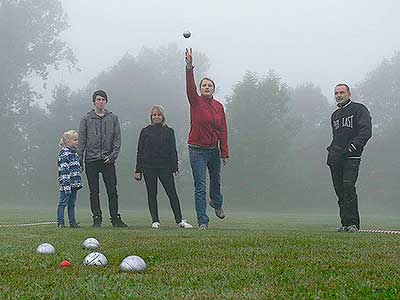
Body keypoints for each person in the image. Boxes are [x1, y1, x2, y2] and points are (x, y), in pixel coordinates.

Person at [184, 48, 229, 230]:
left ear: (213, 89)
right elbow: (189, 87)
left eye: (209, 85)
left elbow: (223, 130)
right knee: (200, 186)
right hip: (197, 150)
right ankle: (203, 221)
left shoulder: (219, 107)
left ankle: (217, 203)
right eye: (204, 85)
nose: (206, 87)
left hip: (213, 150)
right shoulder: (195, 101)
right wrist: (189, 67)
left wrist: (224, 152)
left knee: (215, 182)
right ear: (200, 89)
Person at [133, 105, 193, 229]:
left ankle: (179, 220)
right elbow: (140, 151)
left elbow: (173, 150)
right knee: (152, 193)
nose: (156, 117)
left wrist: (174, 166)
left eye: (159, 115)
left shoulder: (169, 131)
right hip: (148, 167)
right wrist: (138, 170)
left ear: (163, 116)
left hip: (165, 166)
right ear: (151, 117)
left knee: (172, 193)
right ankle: (155, 220)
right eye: (154, 115)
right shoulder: (145, 131)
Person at [78, 90, 127, 227]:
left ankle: (115, 218)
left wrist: (112, 156)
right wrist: (79, 161)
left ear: (106, 101)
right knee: (94, 191)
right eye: (98, 99)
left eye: (103, 99)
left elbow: (117, 140)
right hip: (91, 160)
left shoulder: (113, 118)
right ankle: (97, 218)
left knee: (112, 190)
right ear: (94, 101)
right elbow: (81, 141)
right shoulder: (86, 119)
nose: (100, 102)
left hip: (107, 161)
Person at [327, 83, 372, 233]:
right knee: (339, 190)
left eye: (341, 92)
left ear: (349, 94)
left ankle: (353, 224)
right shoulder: (334, 115)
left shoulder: (359, 109)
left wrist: (353, 146)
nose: (338, 95)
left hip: (352, 157)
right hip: (336, 158)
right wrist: (331, 153)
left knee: (348, 187)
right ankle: (345, 223)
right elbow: (336, 137)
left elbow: (366, 132)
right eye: (336, 93)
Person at [57, 130, 82, 228]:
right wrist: (66, 185)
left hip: (74, 184)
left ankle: (72, 222)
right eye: (74, 140)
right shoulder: (64, 154)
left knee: (72, 204)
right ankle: (60, 222)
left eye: (77, 140)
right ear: (67, 141)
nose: (77, 142)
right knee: (63, 203)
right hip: (66, 184)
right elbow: (64, 170)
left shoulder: (75, 154)